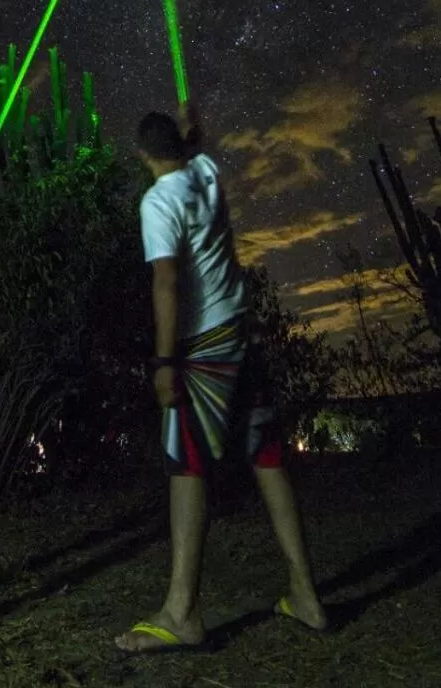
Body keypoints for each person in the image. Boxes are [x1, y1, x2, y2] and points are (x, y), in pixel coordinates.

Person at [116, 103, 327, 654]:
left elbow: (165, 283)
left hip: (203, 345)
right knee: (266, 455)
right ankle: (305, 593)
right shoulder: (206, 173)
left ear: (143, 156)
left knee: (186, 465)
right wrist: (193, 133)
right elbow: (195, 148)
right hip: (242, 331)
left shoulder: (158, 201)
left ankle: (182, 613)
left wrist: (163, 363)